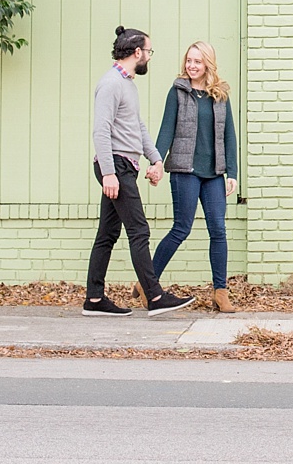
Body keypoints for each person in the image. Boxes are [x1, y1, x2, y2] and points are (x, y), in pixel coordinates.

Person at [82, 26, 193, 318]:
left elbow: (137, 128)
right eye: (149, 52)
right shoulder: (110, 84)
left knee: (107, 233)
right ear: (137, 52)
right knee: (139, 230)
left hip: (123, 165)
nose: (149, 57)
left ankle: (94, 300)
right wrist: (108, 173)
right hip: (115, 167)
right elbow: (100, 130)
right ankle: (155, 296)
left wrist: (156, 159)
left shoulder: (127, 83)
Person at [148, 41, 241, 313]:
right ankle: (148, 282)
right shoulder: (178, 92)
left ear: (208, 64)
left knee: (218, 231)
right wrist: (156, 162)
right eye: (189, 60)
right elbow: (166, 130)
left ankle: (220, 292)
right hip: (184, 171)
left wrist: (232, 172)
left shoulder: (220, 95)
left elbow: (229, 135)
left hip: (213, 174)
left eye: (197, 61)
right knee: (182, 229)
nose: (192, 66)